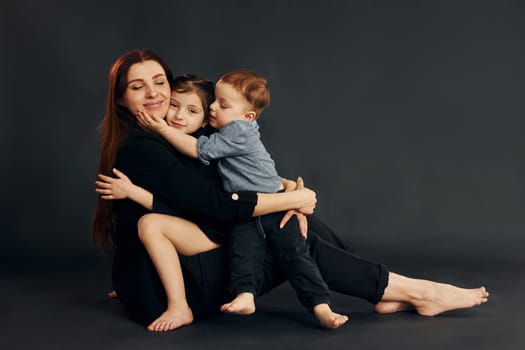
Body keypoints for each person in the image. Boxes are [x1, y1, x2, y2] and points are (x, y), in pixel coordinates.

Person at [93, 49, 489, 332]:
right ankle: (419, 292)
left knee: (292, 223)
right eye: (138, 87)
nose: (155, 94)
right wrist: (292, 198)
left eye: (159, 81)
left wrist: (281, 190)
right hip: (172, 291)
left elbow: (220, 185)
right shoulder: (144, 146)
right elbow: (214, 205)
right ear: (123, 101)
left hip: (170, 272)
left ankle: (380, 287)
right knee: (291, 237)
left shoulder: (173, 138)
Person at [106, 71, 348, 329]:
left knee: (301, 248)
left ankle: (332, 303)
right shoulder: (166, 145)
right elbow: (181, 206)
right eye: (174, 106)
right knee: (278, 247)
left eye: (192, 111)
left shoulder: (217, 142)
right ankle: (383, 287)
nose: (178, 116)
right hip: (229, 217)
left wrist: (294, 195)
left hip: (233, 216)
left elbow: (218, 198)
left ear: (204, 121)